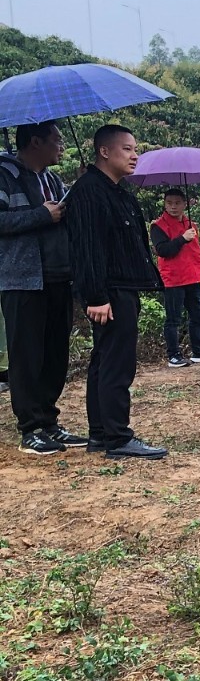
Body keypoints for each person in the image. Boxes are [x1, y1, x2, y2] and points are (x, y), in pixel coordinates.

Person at [65, 124, 167, 460]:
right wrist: (96, 296)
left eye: (135, 148)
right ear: (104, 152)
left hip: (123, 287)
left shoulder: (117, 190)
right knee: (116, 364)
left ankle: (100, 433)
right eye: (126, 148)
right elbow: (87, 249)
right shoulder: (90, 192)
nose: (135, 154)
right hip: (110, 291)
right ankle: (118, 437)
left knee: (105, 361)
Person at [0, 120, 87, 455]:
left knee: (54, 353)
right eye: (56, 139)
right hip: (22, 279)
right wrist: (39, 215)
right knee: (27, 355)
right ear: (35, 142)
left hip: (57, 275)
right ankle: (30, 427)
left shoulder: (51, 178)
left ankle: (49, 421)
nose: (61, 145)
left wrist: (79, 189)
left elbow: (61, 215)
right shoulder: (5, 175)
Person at [150, 190, 200, 368]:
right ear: (164, 204)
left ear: (185, 204)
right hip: (173, 279)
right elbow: (163, 250)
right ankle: (174, 355)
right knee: (173, 318)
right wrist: (182, 238)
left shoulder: (191, 225)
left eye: (177, 202)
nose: (173, 206)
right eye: (169, 203)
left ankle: (199, 350)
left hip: (192, 276)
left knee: (198, 314)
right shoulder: (158, 226)